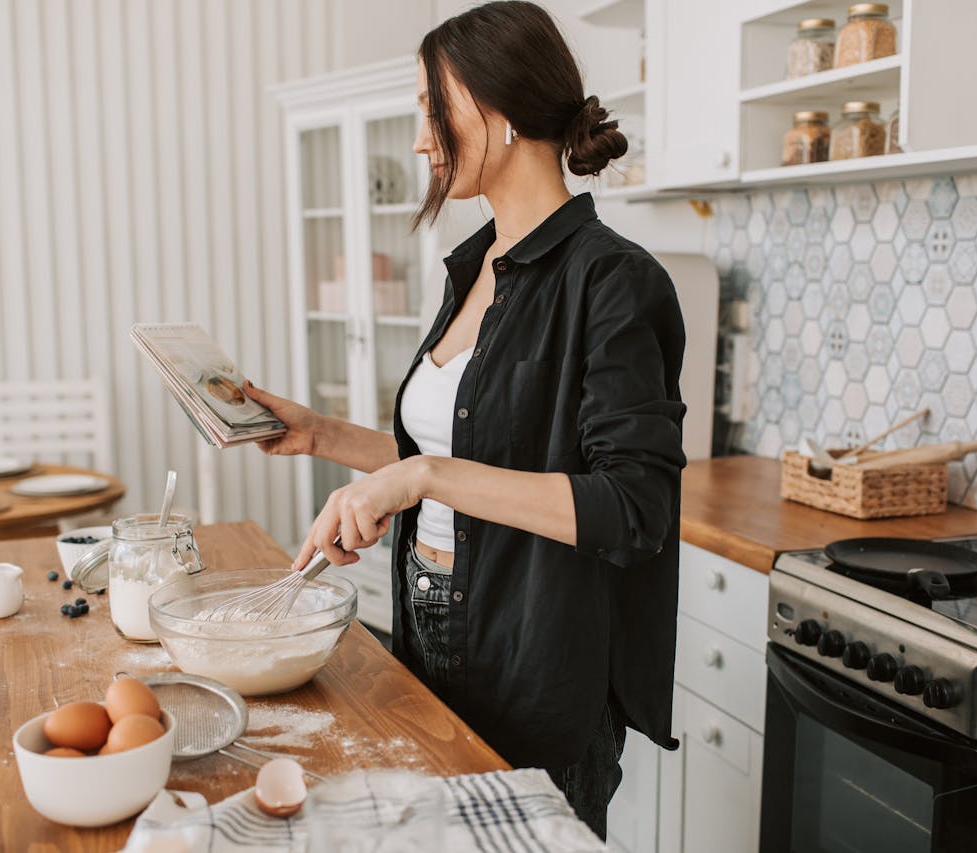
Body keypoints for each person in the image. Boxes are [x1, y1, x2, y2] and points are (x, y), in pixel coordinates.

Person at [243, 1, 686, 839]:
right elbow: (466, 451)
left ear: (501, 110)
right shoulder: (474, 268)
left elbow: (633, 510)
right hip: (431, 622)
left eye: (430, 108)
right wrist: (320, 434)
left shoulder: (616, 284)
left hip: (540, 651)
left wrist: (423, 475)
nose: (420, 139)